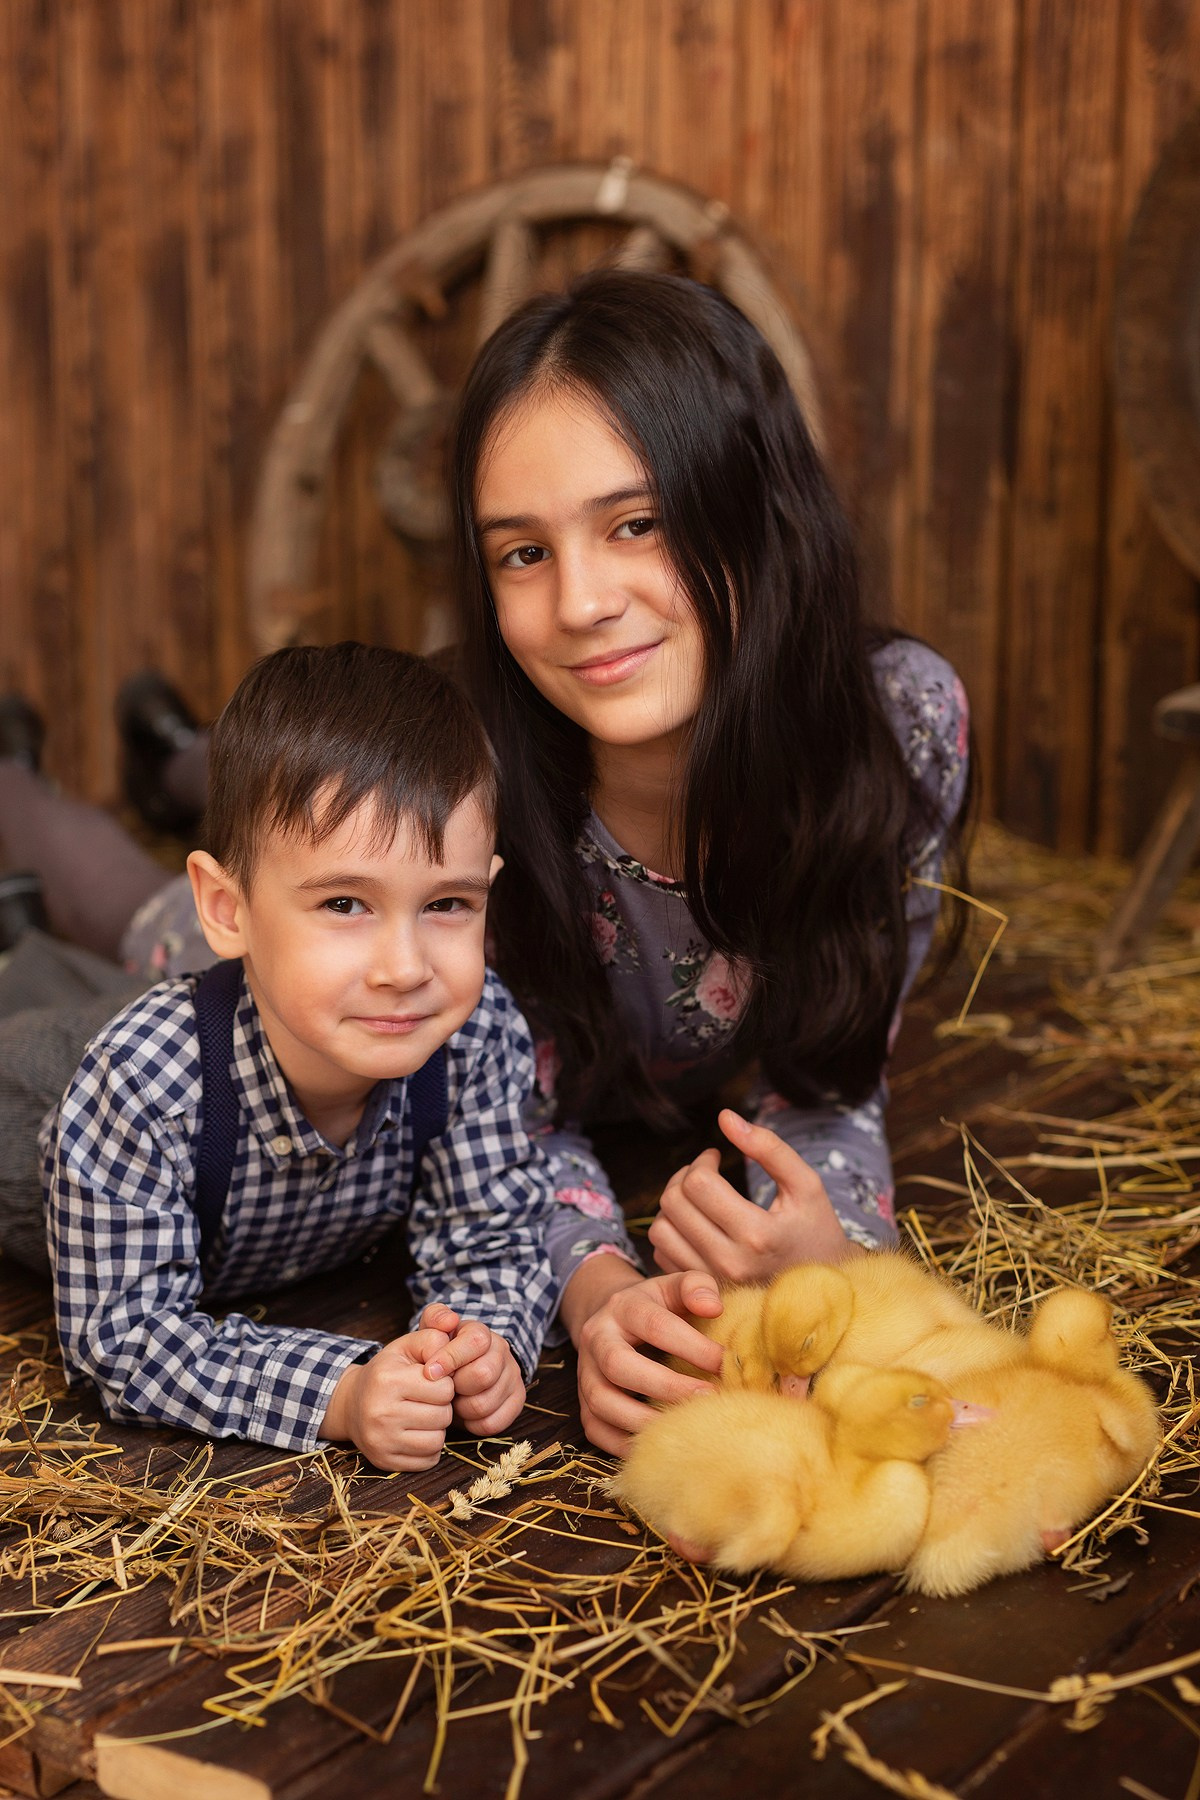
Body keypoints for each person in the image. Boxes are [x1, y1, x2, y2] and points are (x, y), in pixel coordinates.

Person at [0, 272, 970, 1458]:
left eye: (638, 523)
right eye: (521, 554)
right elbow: (503, 1110)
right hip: (328, 967)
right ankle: (34, 784)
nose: (580, 602)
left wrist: (835, 1263)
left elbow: (831, 1073)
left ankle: (178, 753)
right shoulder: (471, 787)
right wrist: (597, 1288)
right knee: (157, 912)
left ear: (751, 500)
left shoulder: (900, 727)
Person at [38, 643, 558, 1469]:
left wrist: (480, 1341)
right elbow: (124, 1338)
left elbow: (493, 1237)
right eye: (346, 902)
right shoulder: (135, 1087)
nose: (406, 968)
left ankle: (161, 764)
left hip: (247, 1000)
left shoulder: (474, 1032)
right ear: (226, 907)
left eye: (448, 903)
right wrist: (341, 1394)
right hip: (32, 1087)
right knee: (39, 965)